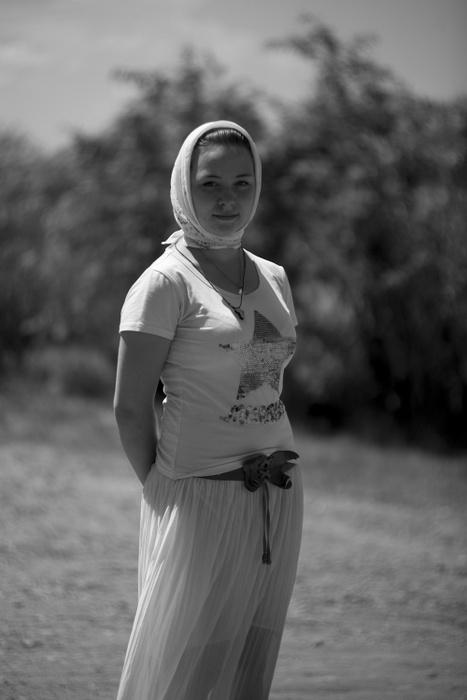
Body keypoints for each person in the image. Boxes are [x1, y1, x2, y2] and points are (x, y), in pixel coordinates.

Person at [113, 120, 303, 700]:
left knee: (249, 670)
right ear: (183, 187)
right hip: (198, 499)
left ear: (258, 187)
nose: (227, 199)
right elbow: (129, 407)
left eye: (242, 183)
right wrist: (166, 489)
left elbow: (270, 383)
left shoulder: (274, 277)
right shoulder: (164, 283)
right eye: (210, 183)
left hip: (278, 493)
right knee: (189, 674)